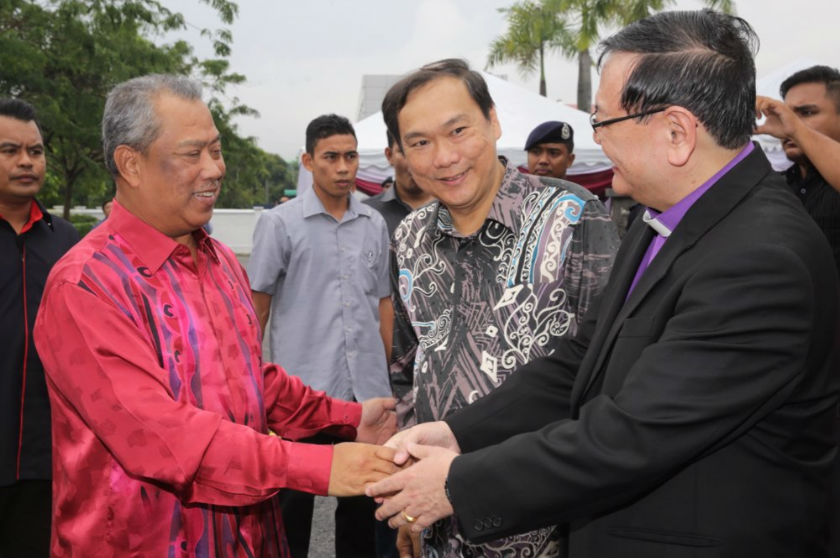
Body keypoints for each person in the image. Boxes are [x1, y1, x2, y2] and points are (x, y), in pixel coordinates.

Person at [368, 10, 839, 556]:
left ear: (677, 133)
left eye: (603, 122)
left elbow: (631, 434)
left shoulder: (761, 260)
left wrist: (456, 483)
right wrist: (459, 433)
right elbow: (583, 356)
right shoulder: (664, 216)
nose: (594, 139)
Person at [32, 74, 399, 558]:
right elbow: (159, 434)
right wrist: (321, 466)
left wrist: (348, 418)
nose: (214, 169)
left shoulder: (221, 260)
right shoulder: (85, 285)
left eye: (216, 149)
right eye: (193, 154)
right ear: (131, 164)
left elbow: (247, 379)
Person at [380, 59, 619, 557]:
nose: (444, 157)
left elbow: (606, 374)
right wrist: (411, 503)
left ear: (493, 120)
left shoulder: (572, 218)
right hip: (441, 527)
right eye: (420, 143)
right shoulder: (409, 238)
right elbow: (407, 374)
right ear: (399, 154)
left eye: (459, 130)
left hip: (550, 524)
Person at [248, 114, 393, 558]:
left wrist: (384, 379)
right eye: (331, 157)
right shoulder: (279, 224)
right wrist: (250, 384)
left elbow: (383, 303)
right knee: (291, 515)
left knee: (362, 517)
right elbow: (258, 305)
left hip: (363, 400)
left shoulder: (374, 223)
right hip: (301, 396)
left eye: (350, 156)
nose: (343, 167)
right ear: (309, 161)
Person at [0, 98, 78, 557]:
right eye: (10, 150)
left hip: (45, 462)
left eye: (36, 150)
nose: (27, 161)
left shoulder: (68, 243)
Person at [756, 65, 840, 274]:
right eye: (786, 113)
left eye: (806, 112)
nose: (787, 123)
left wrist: (796, 129)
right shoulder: (773, 185)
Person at [363, 130, 434, 236]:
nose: (413, 161)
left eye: (421, 147)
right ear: (389, 155)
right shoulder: (367, 214)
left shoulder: (457, 207)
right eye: (403, 151)